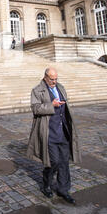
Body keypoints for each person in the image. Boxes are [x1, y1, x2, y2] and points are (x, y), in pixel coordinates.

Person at [27, 67, 81, 204]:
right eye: (52, 79)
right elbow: (35, 108)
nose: (54, 81)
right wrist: (51, 105)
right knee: (54, 161)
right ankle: (47, 182)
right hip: (49, 132)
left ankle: (63, 190)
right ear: (45, 77)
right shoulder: (37, 90)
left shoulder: (61, 87)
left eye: (56, 78)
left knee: (64, 162)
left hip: (63, 131)